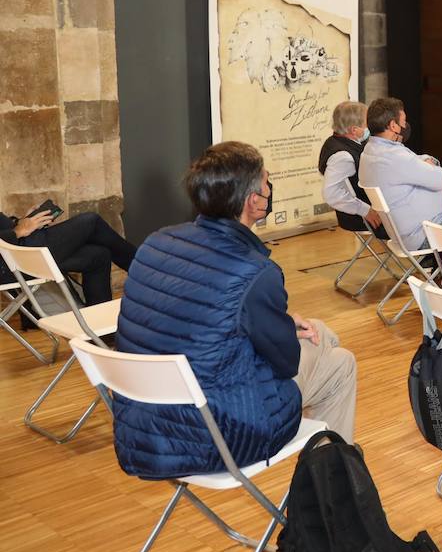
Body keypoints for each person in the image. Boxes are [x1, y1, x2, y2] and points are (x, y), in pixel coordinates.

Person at [113, 142, 357, 479]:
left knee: (318, 331)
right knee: (341, 363)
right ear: (253, 201)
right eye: (267, 183)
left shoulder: (157, 242)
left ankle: (336, 473)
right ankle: (338, 485)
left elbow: (203, 319)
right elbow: (284, 362)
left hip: (142, 430)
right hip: (220, 434)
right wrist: (280, 327)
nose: (270, 190)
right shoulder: (254, 271)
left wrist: (282, 322)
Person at [0, 205, 137, 305]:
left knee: (98, 256)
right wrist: (18, 231)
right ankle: (144, 271)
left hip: (18, 252)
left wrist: (22, 222)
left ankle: (99, 330)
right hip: (13, 261)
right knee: (90, 221)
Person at [357, 96, 442, 252]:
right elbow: (441, 180)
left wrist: (425, 160)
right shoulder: (395, 156)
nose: (405, 126)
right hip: (423, 234)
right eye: (403, 122)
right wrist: (430, 162)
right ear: (393, 125)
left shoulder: (369, 152)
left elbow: (413, 161)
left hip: (402, 234)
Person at [318, 100, 386, 240]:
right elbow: (331, 194)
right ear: (354, 130)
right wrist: (365, 210)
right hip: (362, 217)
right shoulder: (343, 157)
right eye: (367, 124)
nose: (370, 127)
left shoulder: (334, 141)